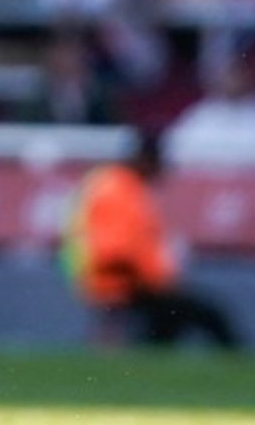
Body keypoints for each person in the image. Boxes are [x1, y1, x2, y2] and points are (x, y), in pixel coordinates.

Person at [61, 134, 242, 349]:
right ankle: (243, 369)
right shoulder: (117, 189)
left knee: (171, 321)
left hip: (118, 279)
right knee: (207, 314)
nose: (163, 169)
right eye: (159, 162)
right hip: (121, 282)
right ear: (145, 159)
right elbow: (116, 250)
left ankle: (149, 359)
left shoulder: (116, 184)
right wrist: (157, 282)